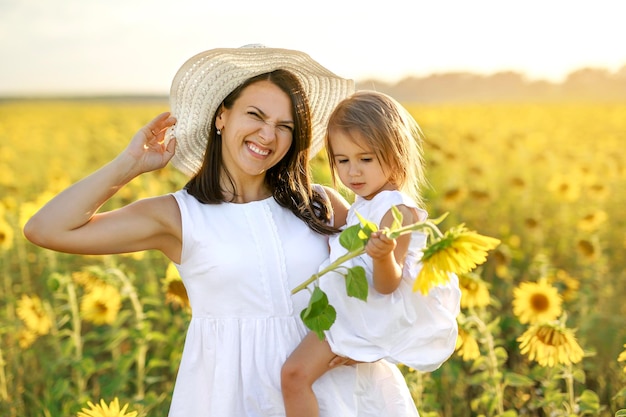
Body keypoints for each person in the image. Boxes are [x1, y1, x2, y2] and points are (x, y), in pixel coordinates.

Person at [23, 45, 423, 416]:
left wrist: (372, 344)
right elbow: (45, 229)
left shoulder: (320, 204)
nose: (268, 135)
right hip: (233, 396)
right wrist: (129, 164)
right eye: (256, 115)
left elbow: (389, 281)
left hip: (338, 392)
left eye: (284, 125)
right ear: (222, 116)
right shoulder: (179, 217)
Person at [281, 91, 461, 417]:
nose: (353, 173)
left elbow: (388, 284)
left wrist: (382, 256)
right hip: (356, 309)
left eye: (366, 159)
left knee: (294, 376)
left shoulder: (395, 209)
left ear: (396, 155)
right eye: (342, 161)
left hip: (364, 316)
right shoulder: (363, 205)